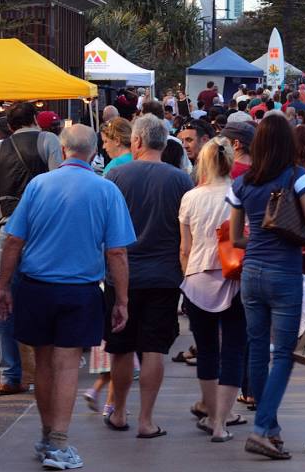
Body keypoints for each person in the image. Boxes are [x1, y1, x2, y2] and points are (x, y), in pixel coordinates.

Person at [0, 125, 136, 470]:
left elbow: (14, 240)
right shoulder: (105, 189)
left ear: (63, 148)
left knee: (44, 363)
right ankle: (58, 441)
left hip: (37, 286)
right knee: (67, 364)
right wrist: (122, 300)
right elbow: (116, 252)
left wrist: (3, 285)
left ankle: (48, 436)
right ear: (92, 153)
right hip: (80, 289)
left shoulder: (38, 185)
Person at [227, 115, 305, 459]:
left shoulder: (242, 184)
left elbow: (236, 237)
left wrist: (258, 239)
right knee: (283, 354)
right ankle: (262, 427)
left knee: (256, 349)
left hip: (251, 272)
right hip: (285, 273)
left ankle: (273, 430)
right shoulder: (296, 177)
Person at [104, 116, 194, 438]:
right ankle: (146, 419)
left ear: (137, 142)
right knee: (154, 347)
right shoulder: (181, 180)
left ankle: (118, 411)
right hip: (164, 276)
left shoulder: (116, 176)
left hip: (121, 276)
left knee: (122, 347)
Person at [0, 103, 63, 395]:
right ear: (33, 119)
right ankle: (50, 366)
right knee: (49, 293)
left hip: (8, 230)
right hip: (42, 230)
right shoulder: (47, 140)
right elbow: (58, 182)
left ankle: (9, 375)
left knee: (5, 299)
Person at [180, 138, 247, 443]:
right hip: (235, 278)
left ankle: (209, 412)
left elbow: (185, 248)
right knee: (234, 349)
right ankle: (221, 422)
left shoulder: (190, 197)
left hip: (197, 277)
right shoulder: (239, 193)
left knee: (207, 350)